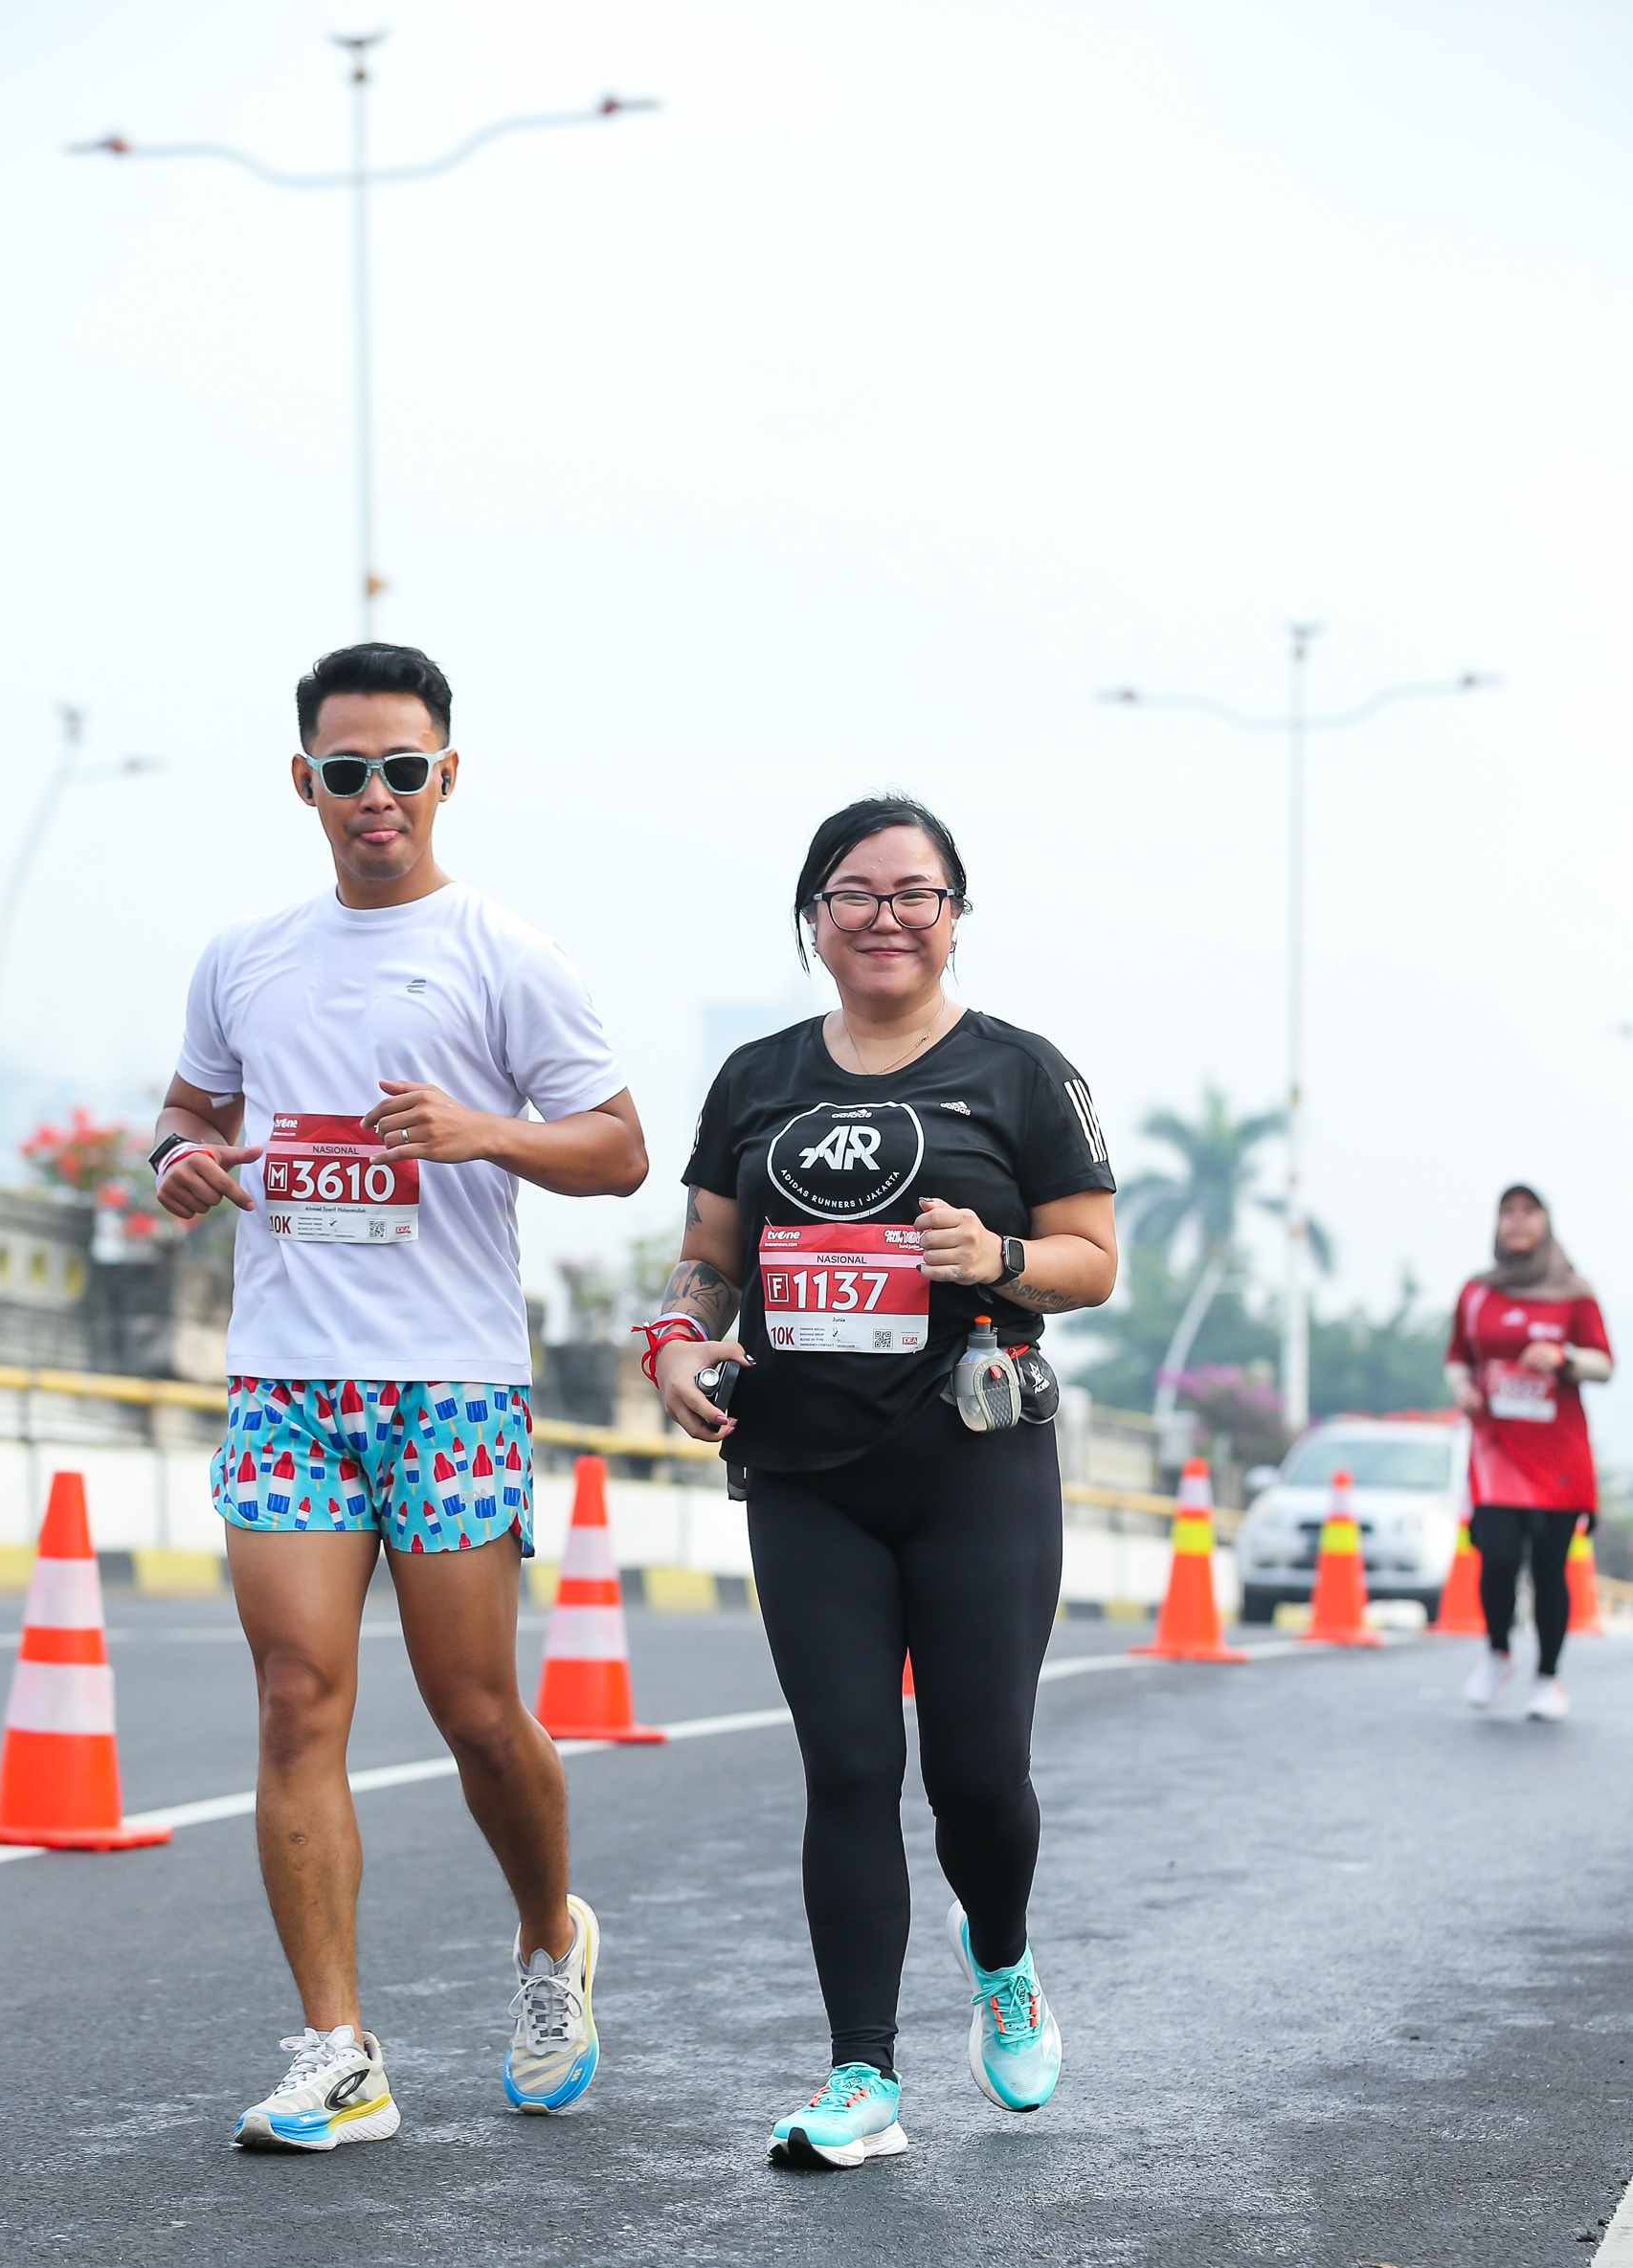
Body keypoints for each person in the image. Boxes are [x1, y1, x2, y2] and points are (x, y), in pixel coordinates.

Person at [150, 641, 647, 2147]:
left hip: (452, 1385)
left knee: (476, 1710)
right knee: (296, 1697)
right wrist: (182, 1160)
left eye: (405, 769)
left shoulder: (506, 951)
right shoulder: (246, 956)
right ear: (305, 781)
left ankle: (548, 1940)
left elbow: (619, 1146)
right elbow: (188, 1106)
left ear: (448, 775)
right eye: (350, 771)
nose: (379, 795)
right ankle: (338, 2050)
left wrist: (482, 1131)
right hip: (288, 1379)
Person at [641, 794, 1117, 2170]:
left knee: (979, 1779)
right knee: (847, 1765)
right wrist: (675, 1339)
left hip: (975, 1467)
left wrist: (998, 1257)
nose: (885, 917)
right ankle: (862, 2076)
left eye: (915, 893)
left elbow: (1092, 1259)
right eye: (854, 893)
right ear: (814, 919)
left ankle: (1001, 1954)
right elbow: (709, 1258)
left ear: (955, 916)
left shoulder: (1021, 1073)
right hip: (805, 1471)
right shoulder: (758, 1077)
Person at [1444, 1185, 1612, 1722]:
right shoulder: (1476, 1292)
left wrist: (1563, 1356)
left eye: (1528, 1211)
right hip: (1496, 1450)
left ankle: (1548, 1678)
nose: (1517, 1221)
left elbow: (1605, 1364)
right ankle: (1498, 1652)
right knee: (1495, 1557)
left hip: (1557, 1455)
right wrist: (1462, 1387)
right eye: (1508, 1212)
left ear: (1545, 1221)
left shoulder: (1573, 1293)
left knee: (1548, 1567)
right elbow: (1456, 1357)